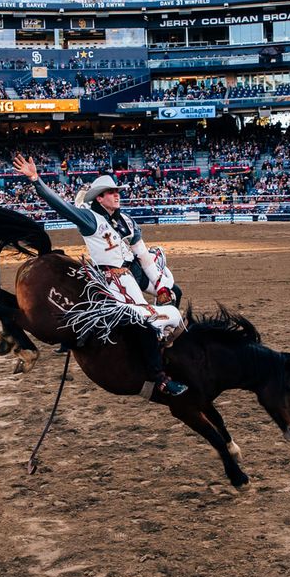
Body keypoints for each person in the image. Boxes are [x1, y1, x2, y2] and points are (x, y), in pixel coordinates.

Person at [12, 153, 188, 397]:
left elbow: (144, 256)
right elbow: (61, 206)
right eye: (111, 192)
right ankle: (158, 379)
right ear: (101, 198)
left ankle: (164, 346)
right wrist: (36, 180)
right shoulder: (90, 219)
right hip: (110, 281)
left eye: (117, 191)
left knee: (173, 294)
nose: (117, 195)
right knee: (143, 323)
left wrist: (161, 287)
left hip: (130, 273)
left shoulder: (126, 221)